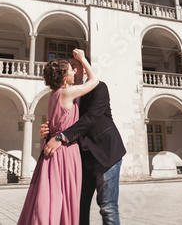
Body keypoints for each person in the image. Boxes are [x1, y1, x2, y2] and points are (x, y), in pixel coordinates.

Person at [41, 55, 126, 225]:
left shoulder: (98, 88)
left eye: (74, 66)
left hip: (105, 154)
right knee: (78, 205)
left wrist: (61, 137)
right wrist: (48, 130)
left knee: (107, 206)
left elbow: (91, 118)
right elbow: (64, 120)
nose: (71, 70)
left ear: (84, 69)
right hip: (81, 157)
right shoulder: (67, 94)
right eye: (69, 67)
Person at [18, 48, 99, 224]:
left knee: (52, 194)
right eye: (71, 69)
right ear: (64, 77)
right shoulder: (68, 92)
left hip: (51, 152)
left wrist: (45, 131)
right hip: (66, 151)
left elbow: (54, 123)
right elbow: (94, 81)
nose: (74, 72)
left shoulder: (52, 96)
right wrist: (84, 60)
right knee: (66, 195)